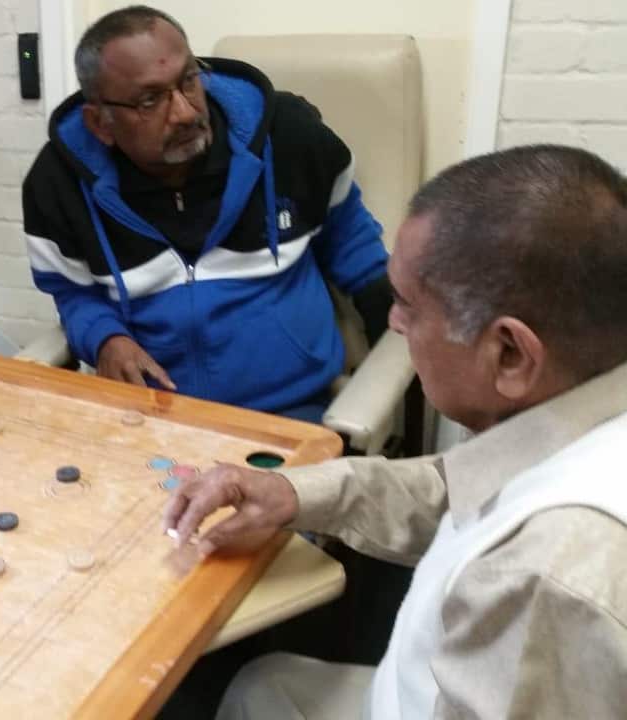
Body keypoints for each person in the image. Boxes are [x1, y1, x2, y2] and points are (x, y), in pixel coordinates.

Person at [164, 144, 627, 718]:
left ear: (510, 353)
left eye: (409, 304)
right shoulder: (584, 409)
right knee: (262, 683)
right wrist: (291, 492)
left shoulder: (544, 578)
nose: (394, 322)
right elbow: (459, 492)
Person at [23, 6, 392, 421]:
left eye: (188, 80)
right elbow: (72, 291)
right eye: (150, 100)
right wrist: (104, 338)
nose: (185, 112)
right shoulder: (59, 183)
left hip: (287, 411)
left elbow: (354, 246)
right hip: (148, 415)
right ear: (100, 124)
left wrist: (399, 350)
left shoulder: (291, 138)